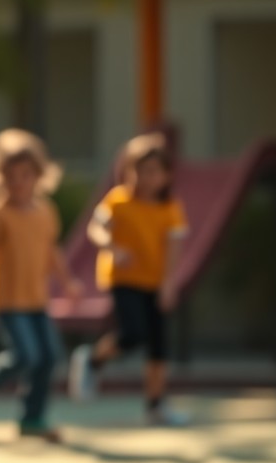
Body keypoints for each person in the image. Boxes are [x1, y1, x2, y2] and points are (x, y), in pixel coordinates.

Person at [0, 129, 81, 443]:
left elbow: (52, 251)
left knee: (50, 357)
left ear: (39, 175)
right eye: (10, 176)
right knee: (27, 356)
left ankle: (32, 418)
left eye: (26, 175)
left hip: (36, 298)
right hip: (6, 300)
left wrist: (67, 283)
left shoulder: (44, 211)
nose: (19, 182)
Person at [69, 133, 191, 426]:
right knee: (133, 333)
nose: (145, 178)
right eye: (138, 170)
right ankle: (93, 360)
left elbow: (174, 248)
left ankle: (155, 405)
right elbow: (96, 228)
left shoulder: (170, 208)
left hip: (155, 281)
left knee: (159, 344)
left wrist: (169, 283)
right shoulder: (118, 200)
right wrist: (111, 247)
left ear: (165, 175)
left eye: (153, 171)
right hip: (123, 278)